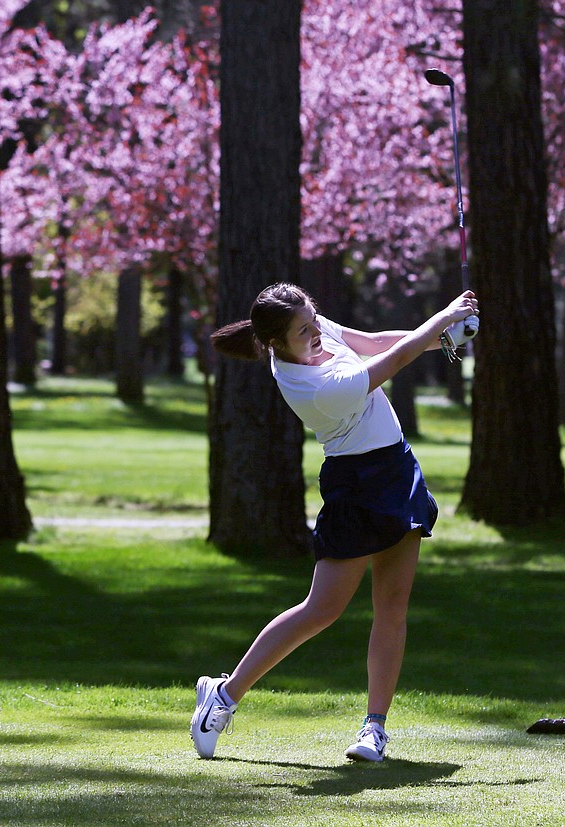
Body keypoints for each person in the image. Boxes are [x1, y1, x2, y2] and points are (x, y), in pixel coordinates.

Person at [191, 282, 480, 762]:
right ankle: (223, 694)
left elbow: (376, 343)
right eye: (304, 331)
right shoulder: (309, 388)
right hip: (354, 485)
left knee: (393, 605)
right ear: (278, 344)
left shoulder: (314, 326)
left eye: (314, 319)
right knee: (321, 609)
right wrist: (443, 318)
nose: (315, 332)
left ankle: (375, 728)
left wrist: (447, 336)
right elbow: (390, 364)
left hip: (397, 470)